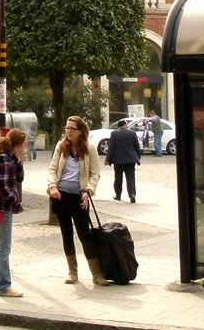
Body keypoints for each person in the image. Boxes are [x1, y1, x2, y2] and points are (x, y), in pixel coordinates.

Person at [47, 115, 109, 287]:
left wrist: (88, 191)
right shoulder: (61, 146)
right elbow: (52, 169)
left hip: (79, 198)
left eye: (72, 128)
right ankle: (72, 272)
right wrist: (52, 186)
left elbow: (95, 174)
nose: (68, 131)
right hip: (60, 196)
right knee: (66, 234)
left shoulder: (90, 148)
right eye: (66, 128)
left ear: (80, 131)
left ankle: (96, 274)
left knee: (85, 235)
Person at [0, 128, 27, 298]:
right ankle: (4, 286)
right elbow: (2, 185)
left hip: (0, 206)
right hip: (3, 206)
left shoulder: (10, 157)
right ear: (17, 144)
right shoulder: (4, 158)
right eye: (23, 144)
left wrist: (18, 161)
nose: (24, 148)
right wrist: (14, 198)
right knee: (4, 246)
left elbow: (19, 178)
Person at [105, 118, 142, 202]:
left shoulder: (114, 134)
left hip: (118, 160)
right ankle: (132, 194)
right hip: (130, 160)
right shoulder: (132, 133)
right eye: (127, 124)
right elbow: (137, 146)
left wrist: (107, 159)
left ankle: (118, 195)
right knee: (130, 178)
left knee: (118, 178)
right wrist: (138, 157)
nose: (128, 125)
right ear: (124, 124)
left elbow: (111, 148)